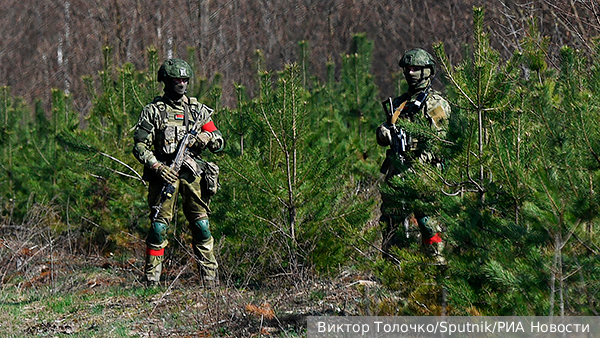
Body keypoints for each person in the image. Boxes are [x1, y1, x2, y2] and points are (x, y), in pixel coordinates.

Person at [133, 58, 224, 286]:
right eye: (177, 79)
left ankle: (210, 282)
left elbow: (219, 140)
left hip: (193, 175)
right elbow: (139, 146)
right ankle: (152, 282)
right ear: (166, 81)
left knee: (202, 226)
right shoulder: (154, 111)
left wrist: (208, 137)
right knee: (158, 228)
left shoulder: (197, 110)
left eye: (185, 79)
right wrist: (157, 167)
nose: (181, 84)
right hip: (164, 174)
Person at [376, 48, 451, 264]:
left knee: (428, 223)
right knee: (391, 223)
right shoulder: (399, 104)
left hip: (424, 173)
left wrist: (421, 164)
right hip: (397, 172)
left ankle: (436, 267)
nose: (410, 73)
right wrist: (384, 133)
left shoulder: (435, 104)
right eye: (407, 69)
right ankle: (393, 269)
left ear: (428, 71)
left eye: (416, 69)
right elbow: (384, 133)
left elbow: (441, 140)